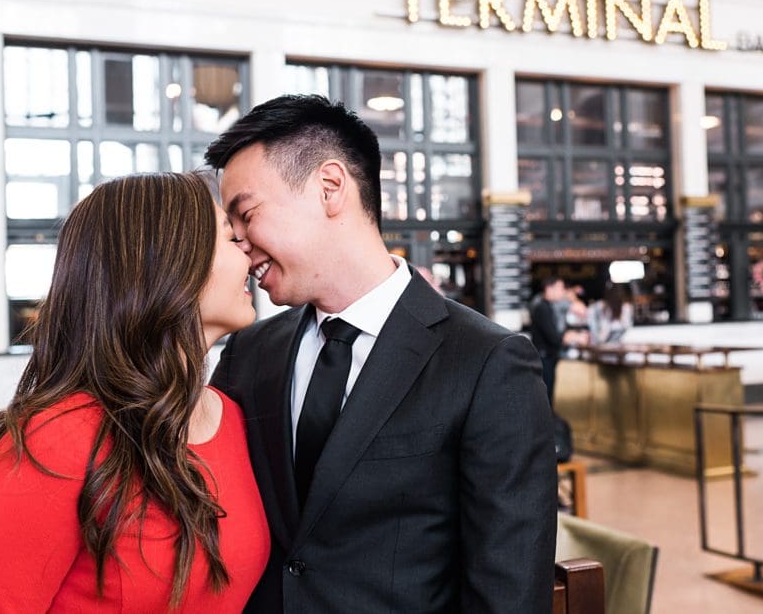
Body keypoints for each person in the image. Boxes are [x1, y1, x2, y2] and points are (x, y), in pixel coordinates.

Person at [204, 94, 556, 613]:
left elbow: (508, 591)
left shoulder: (487, 363)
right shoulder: (250, 352)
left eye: (247, 214)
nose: (239, 242)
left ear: (330, 188)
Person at [0, 173, 269, 610]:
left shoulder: (234, 417)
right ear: (172, 263)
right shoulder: (58, 437)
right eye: (228, 236)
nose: (248, 250)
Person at [530, 277, 586, 405]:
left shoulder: (548, 306)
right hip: (544, 359)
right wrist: (570, 337)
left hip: (548, 358)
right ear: (549, 289)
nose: (562, 292)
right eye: (560, 288)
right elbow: (554, 338)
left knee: (548, 396)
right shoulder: (542, 308)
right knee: (545, 399)